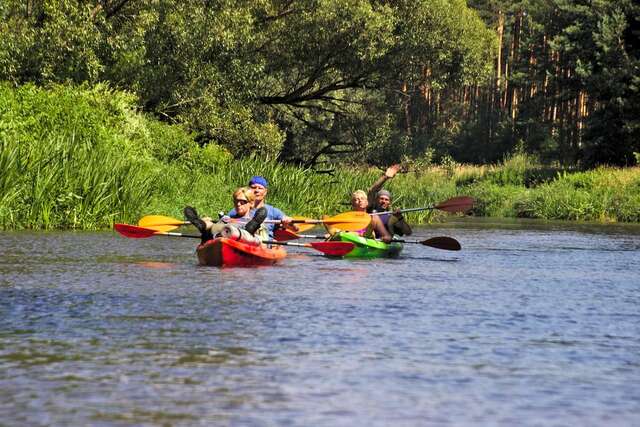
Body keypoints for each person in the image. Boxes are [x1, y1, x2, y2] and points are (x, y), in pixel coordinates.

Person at [184, 187, 268, 244]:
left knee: (250, 229)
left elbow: (263, 244)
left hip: (243, 238)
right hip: (221, 236)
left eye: (242, 202)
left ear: (251, 203)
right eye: (236, 201)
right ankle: (200, 224)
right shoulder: (227, 218)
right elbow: (217, 225)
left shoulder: (256, 222)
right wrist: (206, 221)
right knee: (214, 225)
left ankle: (249, 229)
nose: (238, 204)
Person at [227, 176, 293, 238]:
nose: (256, 191)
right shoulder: (238, 209)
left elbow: (294, 228)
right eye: (253, 187)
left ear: (265, 192)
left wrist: (288, 222)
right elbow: (225, 224)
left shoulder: (273, 211)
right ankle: (247, 231)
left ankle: (251, 229)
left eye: (260, 188)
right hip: (240, 239)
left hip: (263, 244)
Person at [366, 164, 412, 236]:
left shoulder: (391, 217)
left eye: (386, 200)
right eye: (381, 199)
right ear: (376, 200)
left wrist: (400, 218)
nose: (384, 201)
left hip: (383, 242)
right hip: (368, 238)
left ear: (389, 203)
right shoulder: (370, 210)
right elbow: (372, 190)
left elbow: (408, 233)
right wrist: (385, 177)